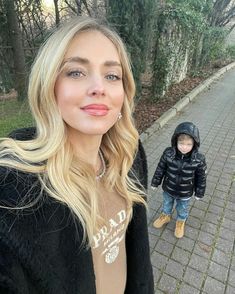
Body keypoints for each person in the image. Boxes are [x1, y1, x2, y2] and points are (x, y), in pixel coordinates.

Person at [0, 17, 153, 293]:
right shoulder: (14, 201)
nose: (99, 87)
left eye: (112, 75)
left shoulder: (128, 157)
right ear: (49, 87)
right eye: (76, 72)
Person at [151, 121, 207, 238]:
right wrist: (155, 182)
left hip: (185, 192)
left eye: (188, 144)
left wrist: (199, 192)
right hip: (168, 188)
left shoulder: (199, 159)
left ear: (194, 145)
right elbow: (160, 168)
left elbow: (201, 178)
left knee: (182, 208)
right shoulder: (168, 153)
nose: (184, 147)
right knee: (167, 203)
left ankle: (181, 221)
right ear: (175, 142)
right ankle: (165, 216)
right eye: (181, 143)